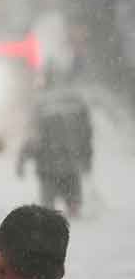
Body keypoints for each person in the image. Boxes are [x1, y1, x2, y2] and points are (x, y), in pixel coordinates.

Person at [18, 85, 93, 216]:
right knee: (70, 205)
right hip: (65, 164)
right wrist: (86, 157)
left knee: (51, 207)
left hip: (51, 165)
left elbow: (32, 136)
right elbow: (85, 134)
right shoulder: (74, 101)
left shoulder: (42, 103)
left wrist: (22, 160)